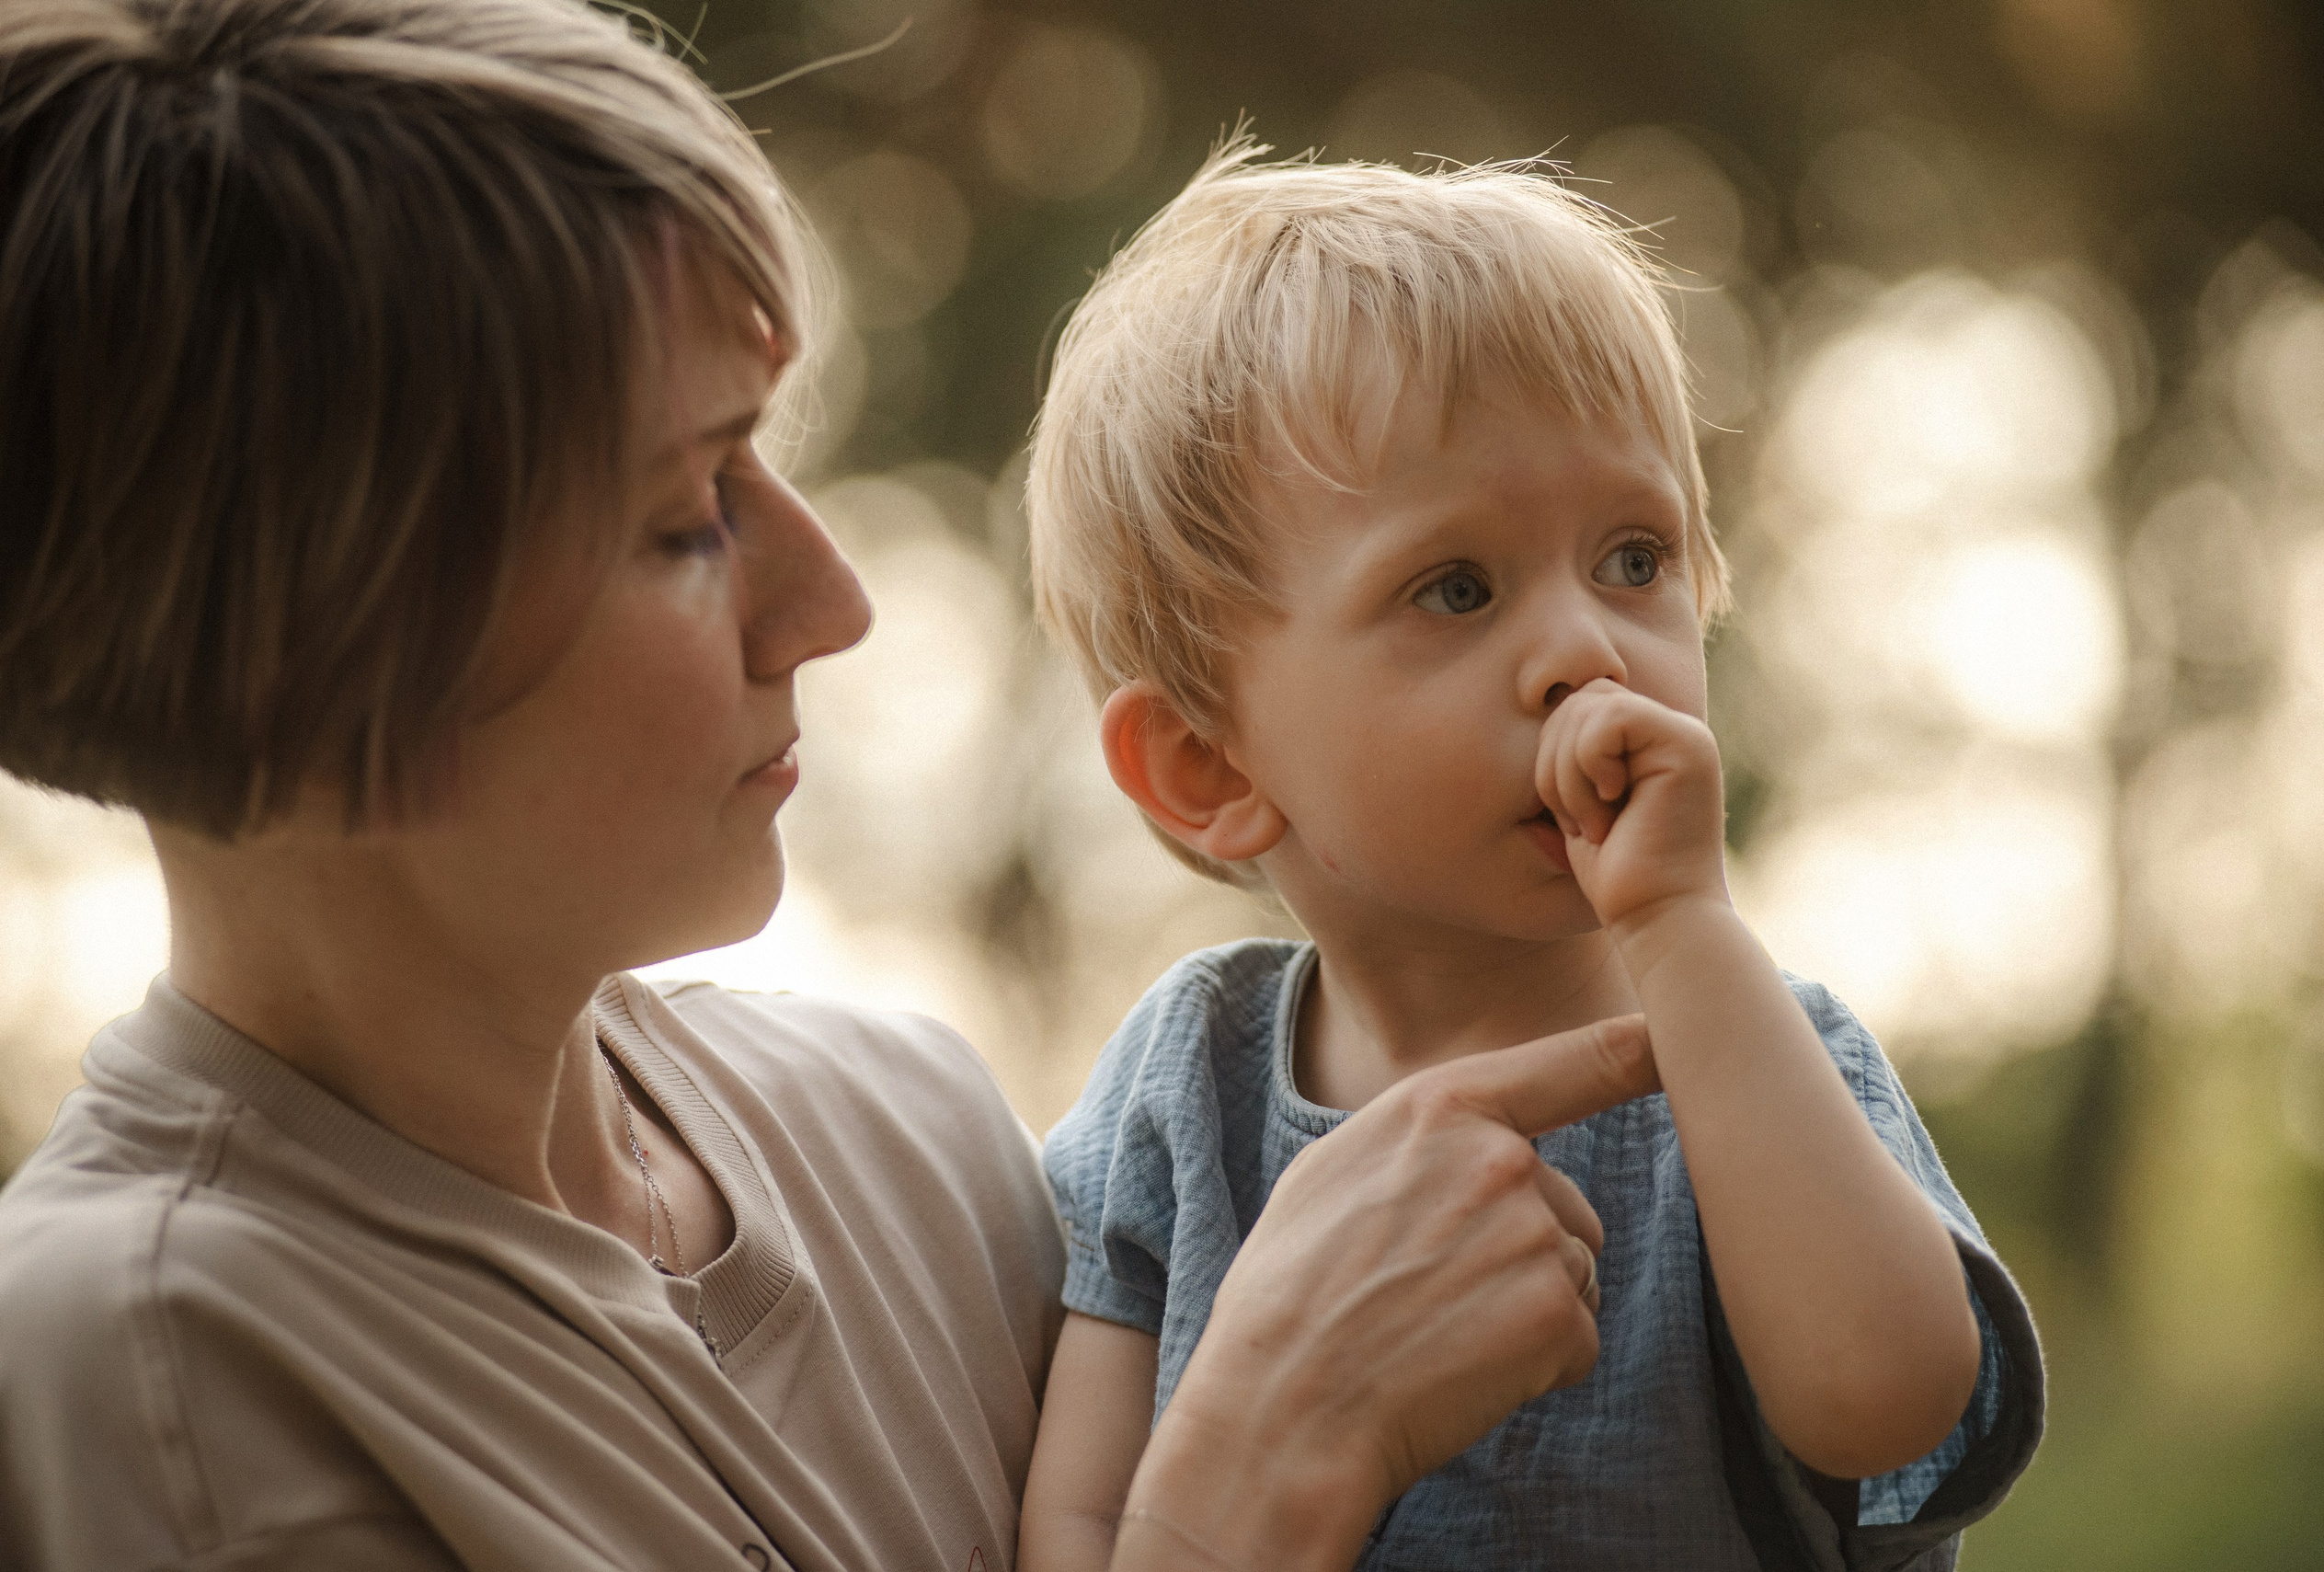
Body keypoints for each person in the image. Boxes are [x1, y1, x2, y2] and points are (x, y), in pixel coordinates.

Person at [0, 5, 1666, 1570]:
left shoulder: (910, 1134)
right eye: (681, 520)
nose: (833, 602)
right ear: (306, 647)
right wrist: (1260, 1476)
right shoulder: (147, 1371)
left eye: (762, 458)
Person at [1019, 145, 2047, 1572]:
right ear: (1213, 764)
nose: (1585, 646)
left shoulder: (1758, 1057)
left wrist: (1686, 926)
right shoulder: (1183, 1086)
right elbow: (1081, 1529)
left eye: (1635, 559)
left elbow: (1884, 1401)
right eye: (1458, 586)